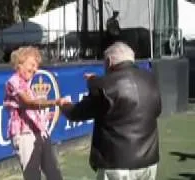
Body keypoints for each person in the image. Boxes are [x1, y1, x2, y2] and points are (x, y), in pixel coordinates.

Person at [58, 42, 162, 180]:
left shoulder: (103, 85)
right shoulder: (150, 79)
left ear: (109, 61)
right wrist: (95, 81)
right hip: (148, 160)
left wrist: (64, 105)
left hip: (116, 163)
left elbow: (77, 112)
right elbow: (157, 110)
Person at [3, 46, 63, 180]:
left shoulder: (27, 84)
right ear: (20, 63)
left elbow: (30, 110)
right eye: (32, 65)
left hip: (40, 133)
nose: (35, 69)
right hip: (24, 135)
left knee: (54, 173)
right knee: (32, 175)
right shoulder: (13, 82)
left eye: (37, 66)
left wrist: (46, 116)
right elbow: (28, 103)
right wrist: (55, 102)